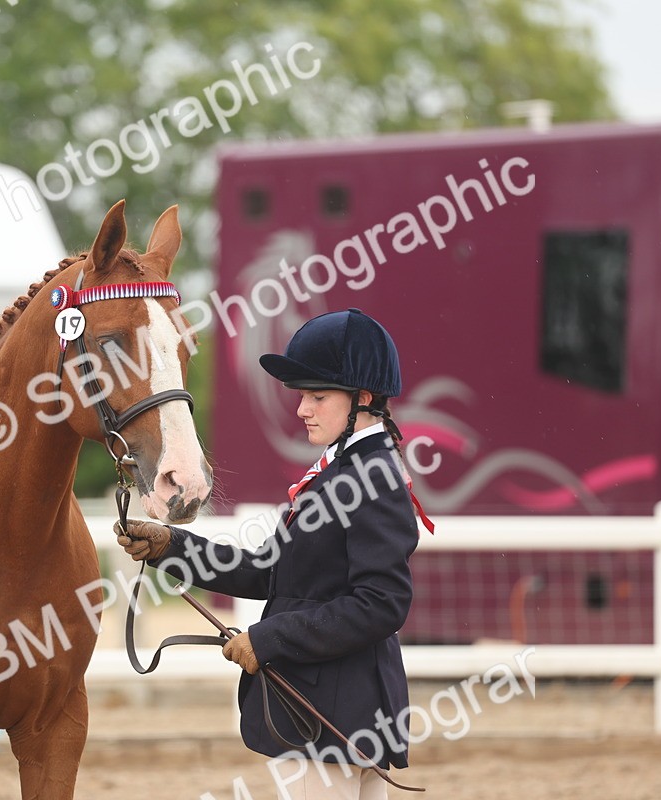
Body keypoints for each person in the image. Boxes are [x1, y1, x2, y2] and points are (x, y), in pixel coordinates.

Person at [115, 308, 430, 799]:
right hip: (333, 709)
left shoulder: (372, 479)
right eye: (303, 395)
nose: (302, 408)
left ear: (363, 399)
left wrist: (271, 638)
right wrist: (171, 546)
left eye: (318, 396)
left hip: (336, 714)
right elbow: (268, 572)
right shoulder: (339, 473)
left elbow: (382, 603)